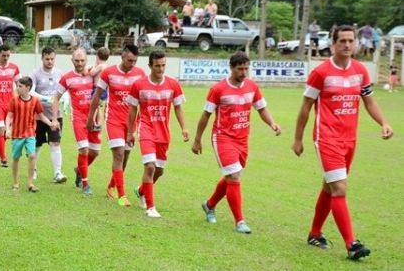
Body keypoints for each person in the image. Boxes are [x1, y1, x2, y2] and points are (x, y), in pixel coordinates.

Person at [292, 24, 393, 260]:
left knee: (329, 186)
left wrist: (384, 123)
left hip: (350, 139)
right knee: (339, 188)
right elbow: (306, 107)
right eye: (342, 41)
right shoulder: (321, 73)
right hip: (326, 137)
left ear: (356, 43)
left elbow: (369, 101)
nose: (347, 45)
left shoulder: (360, 71)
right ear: (333, 44)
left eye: (351, 41)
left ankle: (315, 233)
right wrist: (297, 139)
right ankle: (352, 244)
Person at [192, 51, 281, 233]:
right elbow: (205, 115)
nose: (244, 73)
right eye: (240, 69)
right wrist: (197, 140)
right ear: (231, 68)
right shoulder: (218, 89)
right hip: (223, 138)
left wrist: (272, 123)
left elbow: (261, 108)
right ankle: (240, 222)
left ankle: (209, 205)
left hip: (242, 139)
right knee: (234, 176)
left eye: (246, 69)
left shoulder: (252, 87)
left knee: (231, 176)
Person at [126, 50, 189, 218]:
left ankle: (141, 191)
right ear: (150, 66)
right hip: (146, 129)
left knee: (159, 170)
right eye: (157, 66)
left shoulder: (173, 85)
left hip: (164, 133)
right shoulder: (139, 85)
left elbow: (178, 108)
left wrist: (184, 127)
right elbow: (132, 110)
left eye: (163, 65)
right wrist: (130, 131)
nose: (160, 69)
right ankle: (151, 207)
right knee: (150, 166)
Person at [87, 44, 145, 207]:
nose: (132, 64)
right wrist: (90, 118)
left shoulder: (140, 74)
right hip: (113, 120)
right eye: (129, 60)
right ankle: (122, 195)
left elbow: (143, 99)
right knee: (118, 155)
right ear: (122, 56)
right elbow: (97, 96)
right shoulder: (109, 73)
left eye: (135, 61)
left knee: (125, 158)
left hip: (132, 122)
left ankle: (111, 185)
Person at [52, 48, 101, 195]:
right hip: (78, 117)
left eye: (82, 60)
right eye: (77, 60)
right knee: (84, 149)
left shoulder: (92, 75)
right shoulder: (66, 78)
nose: (79, 63)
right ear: (72, 61)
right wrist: (54, 119)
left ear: (87, 60)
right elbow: (56, 98)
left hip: (93, 117)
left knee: (95, 152)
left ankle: (79, 169)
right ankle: (85, 184)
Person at [6, 76, 58, 192]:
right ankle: (15, 182)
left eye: (20, 86)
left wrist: (50, 124)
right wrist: (8, 129)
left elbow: (41, 116)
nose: (17, 88)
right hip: (17, 134)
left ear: (27, 88)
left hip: (30, 133)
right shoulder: (14, 100)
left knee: (32, 155)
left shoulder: (35, 101)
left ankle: (30, 183)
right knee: (15, 158)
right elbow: (9, 116)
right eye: (17, 86)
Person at [30, 47, 66, 183]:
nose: (50, 62)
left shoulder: (60, 73)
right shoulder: (35, 74)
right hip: (39, 115)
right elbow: (31, 91)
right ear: (42, 58)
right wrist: (44, 98)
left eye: (52, 59)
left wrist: (66, 99)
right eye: (47, 59)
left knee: (55, 143)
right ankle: (33, 169)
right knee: (37, 144)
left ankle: (57, 173)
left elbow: (65, 90)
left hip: (56, 115)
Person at [88, 47, 110, 130]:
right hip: (104, 90)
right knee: (97, 107)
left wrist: (93, 66)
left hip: (98, 89)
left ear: (97, 56)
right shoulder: (106, 66)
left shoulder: (100, 66)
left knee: (93, 106)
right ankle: (99, 124)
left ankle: (92, 121)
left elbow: (92, 73)